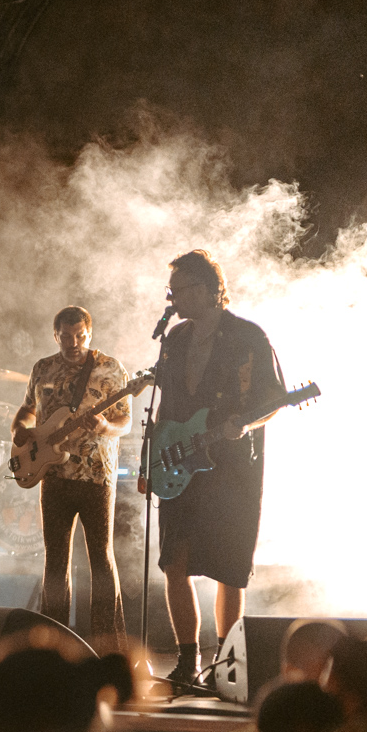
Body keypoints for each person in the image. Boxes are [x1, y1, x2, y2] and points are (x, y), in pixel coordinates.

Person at [153, 251, 286, 686]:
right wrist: (152, 455)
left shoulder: (247, 337)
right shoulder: (173, 340)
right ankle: (187, 661)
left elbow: (273, 399)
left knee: (228, 567)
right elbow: (164, 407)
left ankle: (227, 666)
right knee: (174, 560)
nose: (174, 299)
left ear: (209, 290)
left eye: (181, 290)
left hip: (230, 467)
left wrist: (243, 423)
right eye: (171, 291)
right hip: (177, 460)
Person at [11, 306, 133, 653]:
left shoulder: (110, 368)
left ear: (90, 334)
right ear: (55, 335)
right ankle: (51, 646)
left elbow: (124, 420)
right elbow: (26, 410)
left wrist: (107, 427)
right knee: (55, 561)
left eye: (80, 336)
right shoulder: (43, 368)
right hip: (54, 476)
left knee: (101, 559)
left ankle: (109, 647)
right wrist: (20, 429)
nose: (73, 343)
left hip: (97, 475)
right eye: (66, 337)